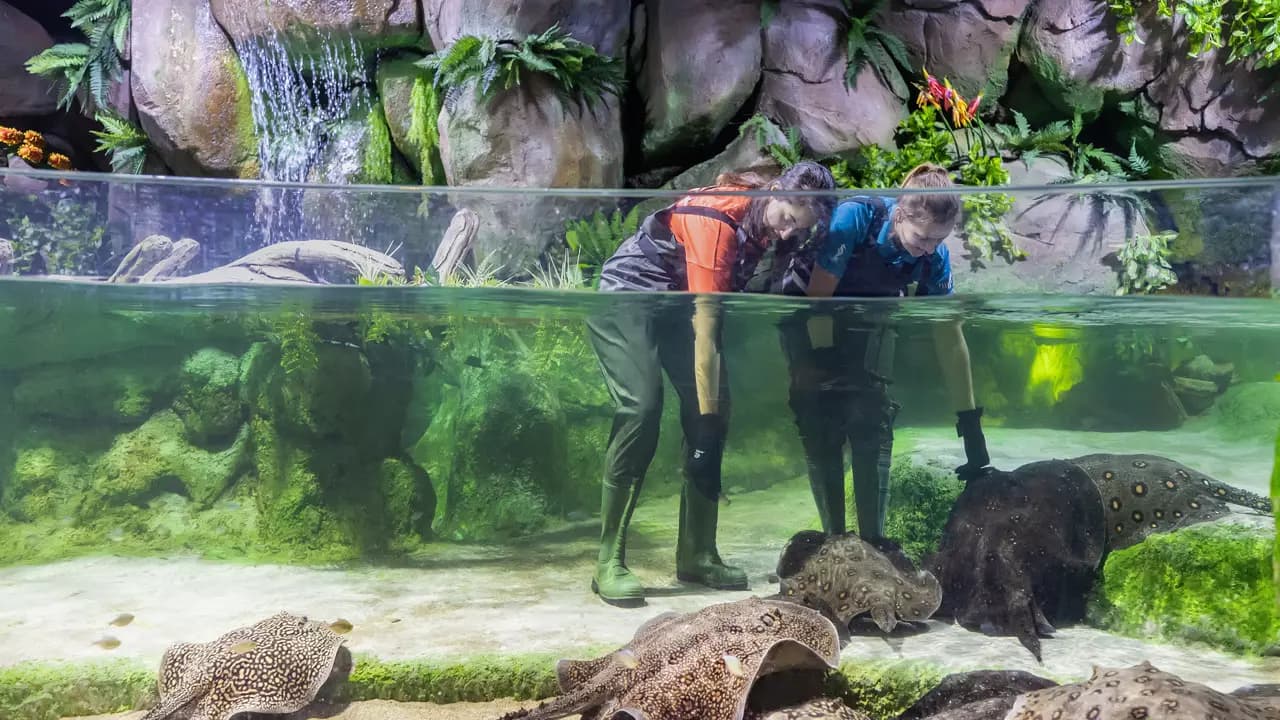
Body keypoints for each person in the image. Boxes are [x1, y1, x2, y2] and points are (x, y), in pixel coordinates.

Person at [586, 161, 837, 607]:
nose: (786, 234)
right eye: (785, 220)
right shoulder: (715, 219)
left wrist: (710, 419)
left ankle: (697, 552)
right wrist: (702, 424)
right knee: (642, 408)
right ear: (772, 194)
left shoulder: (774, 227)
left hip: (679, 310)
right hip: (628, 296)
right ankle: (609, 560)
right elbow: (706, 329)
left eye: (798, 228)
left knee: (718, 406)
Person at [775, 162, 991, 540]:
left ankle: (872, 544)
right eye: (922, 239)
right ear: (900, 214)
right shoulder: (855, 217)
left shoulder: (933, 258)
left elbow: (950, 337)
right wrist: (825, 372)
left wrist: (971, 428)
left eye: (938, 241)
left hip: (872, 316)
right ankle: (835, 541)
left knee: (871, 420)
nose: (929, 250)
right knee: (820, 421)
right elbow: (819, 301)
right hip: (811, 311)